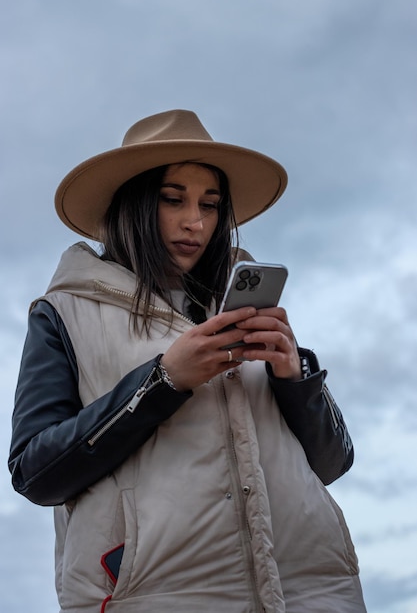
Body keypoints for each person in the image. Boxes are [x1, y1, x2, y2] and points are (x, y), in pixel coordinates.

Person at [9, 109, 367, 613]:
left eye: (211, 205)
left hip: (311, 593)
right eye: (172, 200)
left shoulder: (239, 304)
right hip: (154, 597)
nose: (195, 222)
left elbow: (332, 464)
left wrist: (295, 376)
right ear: (131, 204)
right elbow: (35, 472)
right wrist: (162, 381)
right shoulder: (62, 313)